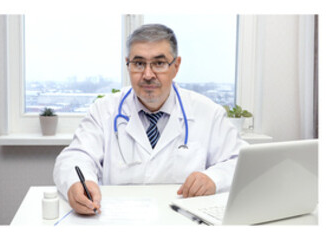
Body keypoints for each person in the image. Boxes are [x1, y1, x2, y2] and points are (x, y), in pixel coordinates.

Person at [53, 24, 247, 215]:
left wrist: (214, 178)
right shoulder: (104, 110)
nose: (147, 74)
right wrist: (79, 182)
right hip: (119, 222)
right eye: (138, 63)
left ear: (176, 66)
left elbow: (241, 161)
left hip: (183, 223)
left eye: (159, 63)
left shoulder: (207, 112)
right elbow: (75, 157)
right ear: (128, 65)